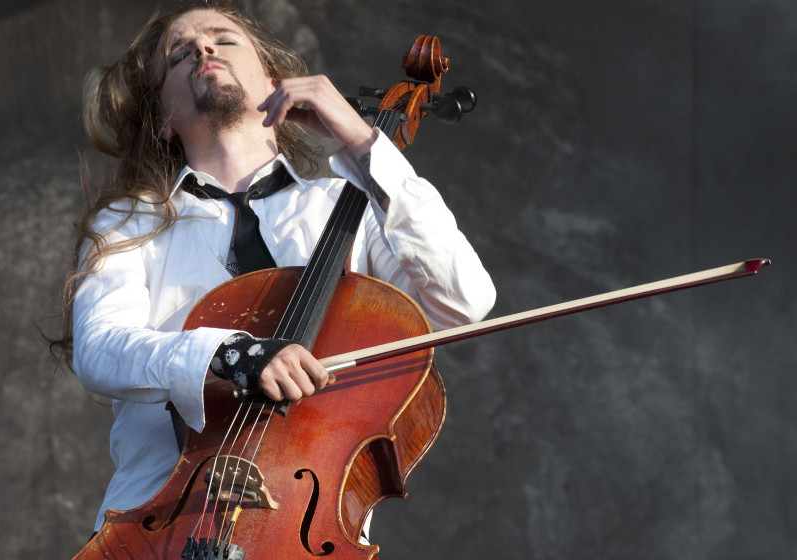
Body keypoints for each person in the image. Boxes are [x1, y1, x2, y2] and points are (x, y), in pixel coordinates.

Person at [59, 1, 496, 535]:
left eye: (224, 37)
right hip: (163, 522)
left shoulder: (347, 207)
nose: (203, 48)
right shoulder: (132, 221)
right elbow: (100, 348)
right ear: (163, 120)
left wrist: (363, 142)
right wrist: (229, 354)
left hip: (302, 525)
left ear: (273, 83)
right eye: (178, 54)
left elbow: (463, 302)